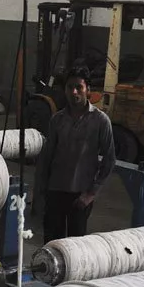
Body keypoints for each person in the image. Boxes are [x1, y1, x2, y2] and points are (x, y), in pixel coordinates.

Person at [35, 64, 117, 242]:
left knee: (75, 247)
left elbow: (109, 160)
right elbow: (47, 157)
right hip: (55, 191)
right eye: (70, 87)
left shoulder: (100, 121)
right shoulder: (57, 120)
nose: (74, 92)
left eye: (79, 87)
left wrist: (90, 194)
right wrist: (42, 190)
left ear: (88, 90)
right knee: (51, 244)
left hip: (80, 196)